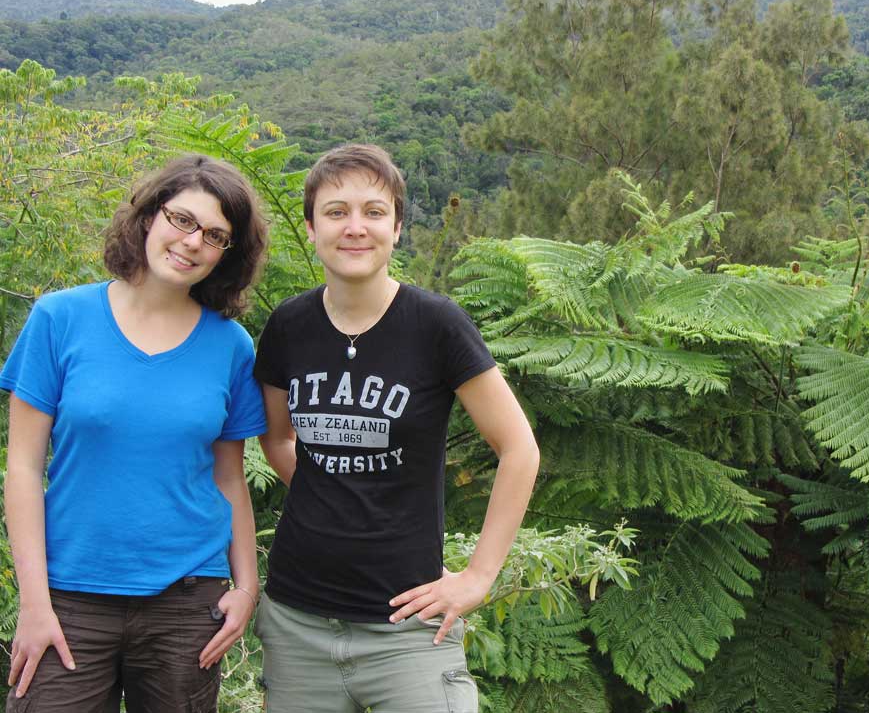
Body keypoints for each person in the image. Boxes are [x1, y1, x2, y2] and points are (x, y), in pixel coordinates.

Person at [254, 144, 539, 712]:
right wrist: (333, 495)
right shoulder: (288, 326)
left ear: (398, 228)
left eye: (374, 212)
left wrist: (479, 576)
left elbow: (519, 449)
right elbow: (278, 438)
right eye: (336, 212)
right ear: (311, 228)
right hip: (296, 624)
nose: (355, 227)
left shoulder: (437, 325)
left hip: (409, 626)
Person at [1, 154, 270, 713]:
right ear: (149, 216)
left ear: (228, 254)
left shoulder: (231, 346)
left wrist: (246, 588)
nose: (192, 242)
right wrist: (34, 602)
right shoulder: (59, 319)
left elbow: (229, 478)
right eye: (183, 219)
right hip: (68, 595)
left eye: (215, 235)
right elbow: (23, 468)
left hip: (187, 602)